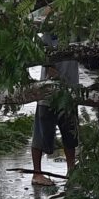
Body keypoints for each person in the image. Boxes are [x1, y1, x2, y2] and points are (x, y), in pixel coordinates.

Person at [31, 32, 80, 187]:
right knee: (41, 134)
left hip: (70, 93)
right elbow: (47, 62)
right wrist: (58, 81)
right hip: (48, 93)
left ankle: (71, 170)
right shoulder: (47, 35)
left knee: (70, 134)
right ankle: (37, 174)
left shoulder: (75, 32)